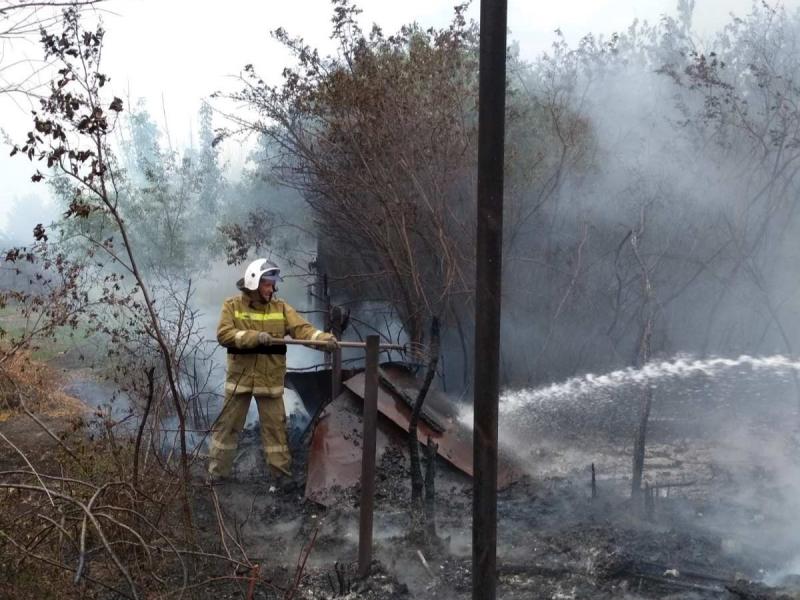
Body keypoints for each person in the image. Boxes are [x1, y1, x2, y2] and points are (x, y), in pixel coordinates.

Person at [208, 258, 336, 482]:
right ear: (254, 282)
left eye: (273, 284)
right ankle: (218, 477)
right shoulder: (232, 306)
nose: (272, 288)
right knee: (226, 429)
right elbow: (224, 334)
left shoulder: (281, 308)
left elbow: (302, 330)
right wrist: (254, 337)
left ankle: (280, 478)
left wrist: (323, 339)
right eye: (268, 283)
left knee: (276, 432)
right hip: (241, 381)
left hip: (270, 382)